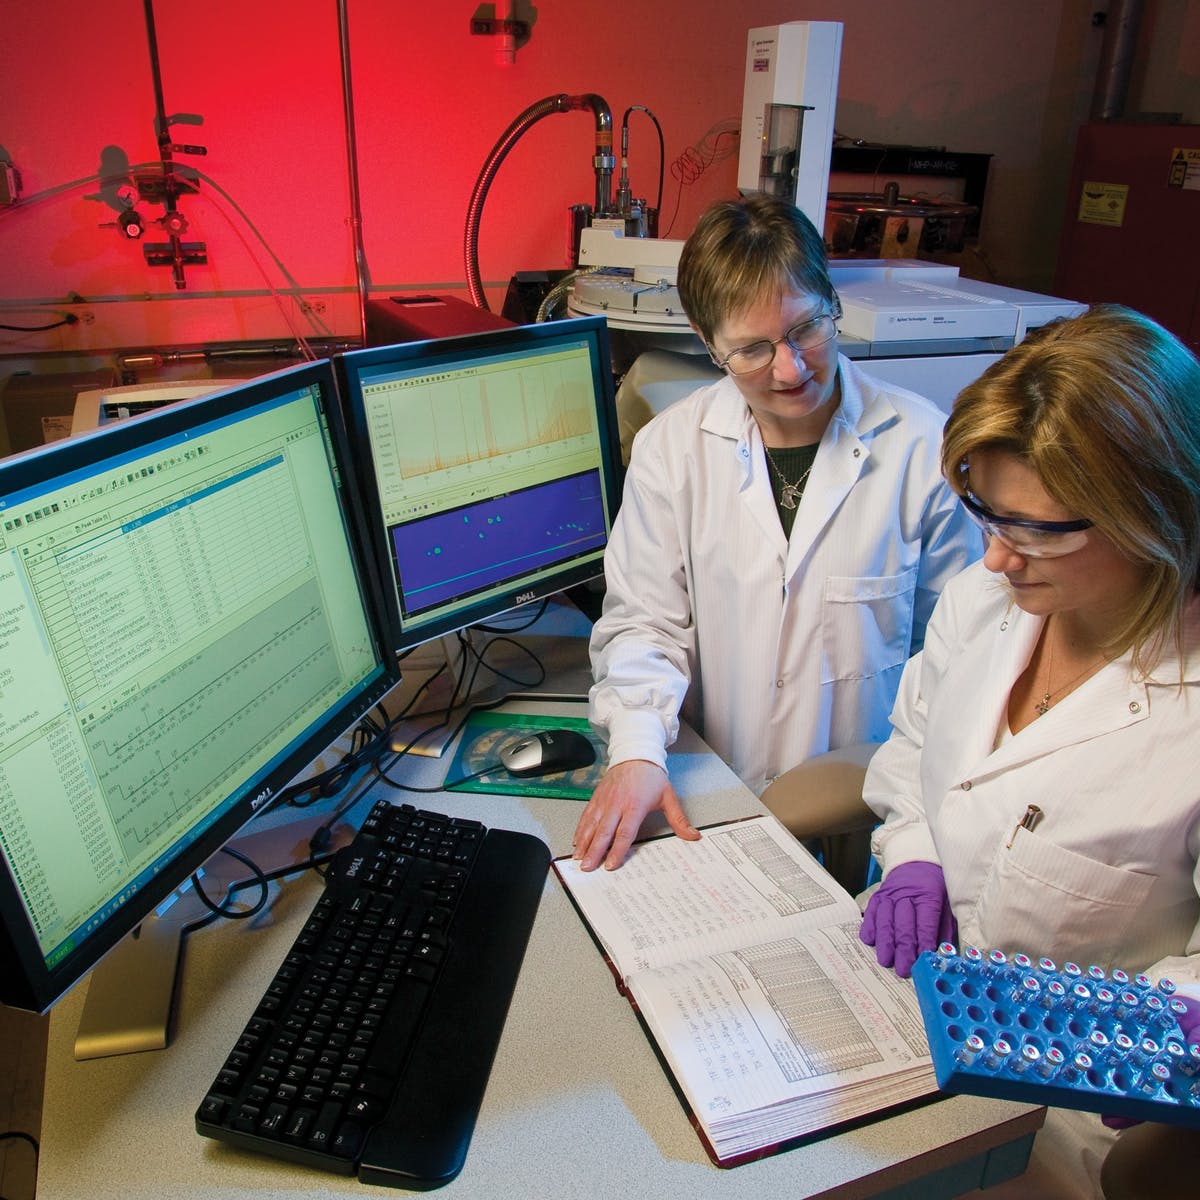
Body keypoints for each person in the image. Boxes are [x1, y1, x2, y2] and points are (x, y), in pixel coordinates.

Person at [858, 304, 1200, 1198]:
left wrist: (1163, 1026)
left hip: (1066, 1109)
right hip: (911, 1012)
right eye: (986, 514)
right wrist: (917, 855)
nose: (999, 561)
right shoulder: (990, 600)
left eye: (1039, 529)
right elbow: (918, 742)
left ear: (1155, 511)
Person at [571, 193, 978, 873]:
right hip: (709, 791)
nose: (789, 369)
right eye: (752, 350)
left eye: (807, 330)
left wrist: (922, 835)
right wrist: (638, 750)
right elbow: (645, 623)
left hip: (870, 814)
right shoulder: (675, 449)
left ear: (830, 302)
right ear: (708, 343)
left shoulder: (922, 449)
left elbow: (961, 655)